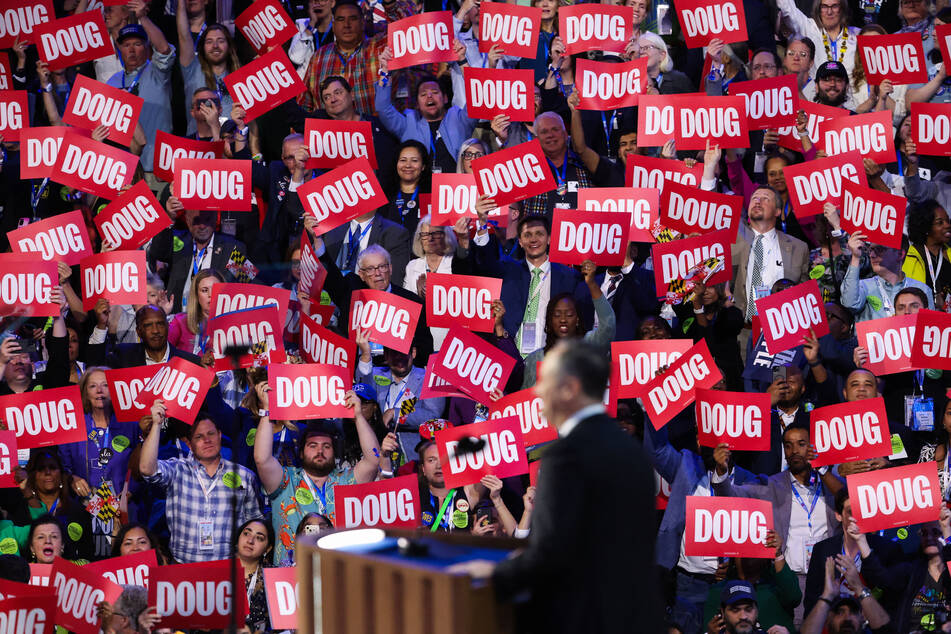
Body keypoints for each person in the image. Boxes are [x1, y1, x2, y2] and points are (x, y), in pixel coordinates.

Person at [449, 340, 662, 634]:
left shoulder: (564, 457)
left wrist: (494, 577)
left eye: (546, 382)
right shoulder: (631, 450)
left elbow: (549, 555)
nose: (538, 393)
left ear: (569, 388)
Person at [713, 424, 844, 625]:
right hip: (792, 580)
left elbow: (850, 500)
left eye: (801, 444)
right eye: (788, 446)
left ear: (812, 447)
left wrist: (823, 469)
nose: (794, 451)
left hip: (830, 578)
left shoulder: (829, 483)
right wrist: (721, 473)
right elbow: (732, 496)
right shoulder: (771, 485)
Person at [254, 387, 382, 564]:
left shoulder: (346, 480)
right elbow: (262, 459)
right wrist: (267, 411)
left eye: (326, 446)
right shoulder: (286, 480)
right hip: (290, 579)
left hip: (337, 575)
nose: (320, 450)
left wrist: (359, 416)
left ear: (334, 452)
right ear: (301, 452)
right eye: (312, 445)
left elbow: (374, 459)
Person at [139, 409, 262, 563]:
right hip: (184, 569)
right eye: (199, 437)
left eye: (211, 434)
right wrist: (157, 425)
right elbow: (146, 470)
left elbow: (255, 522)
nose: (207, 440)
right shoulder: (178, 470)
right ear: (189, 444)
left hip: (227, 568)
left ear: (219, 435)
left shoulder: (244, 476)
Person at [59, 367, 140, 559]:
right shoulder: (74, 424)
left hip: (124, 509)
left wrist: (131, 491)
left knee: (124, 563)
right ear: (85, 392)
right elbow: (64, 466)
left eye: (105, 385)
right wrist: (72, 478)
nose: (99, 390)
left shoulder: (130, 424)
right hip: (87, 507)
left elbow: (143, 465)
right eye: (93, 386)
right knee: (98, 561)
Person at [521, 259, 615, 388]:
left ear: (577, 320)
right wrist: (502, 401)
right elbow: (524, 402)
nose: (563, 319)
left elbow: (608, 324)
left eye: (569, 315)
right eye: (557, 315)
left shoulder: (590, 345)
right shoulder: (535, 359)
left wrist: (591, 284)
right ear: (550, 321)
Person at [106, 17, 175, 180]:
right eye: (126, 45)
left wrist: (142, 17)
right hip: (123, 169)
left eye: (137, 44)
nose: (131, 50)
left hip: (156, 167)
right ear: (119, 48)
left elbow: (164, 49)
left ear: (147, 46)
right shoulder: (112, 82)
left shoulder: (158, 72)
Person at [841, 233, 933, 321]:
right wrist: (856, 257)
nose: (872, 255)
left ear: (900, 254)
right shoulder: (862, 286)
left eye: (879, 250)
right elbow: (850, 303)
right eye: (870, 250)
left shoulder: (923, 289)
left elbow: (929, 327)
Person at [167, 269, 222, 356]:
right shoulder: (180, 322)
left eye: (216, 289)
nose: (211, 295)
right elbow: (161, 354)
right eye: (204, 290)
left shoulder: (234, 324)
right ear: (196, 295)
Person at [235, 518, 274, 633]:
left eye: (259, 538)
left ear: (268, 548)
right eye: (246, 533)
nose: (250, 540)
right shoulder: (217, 572)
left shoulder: (273, 578)